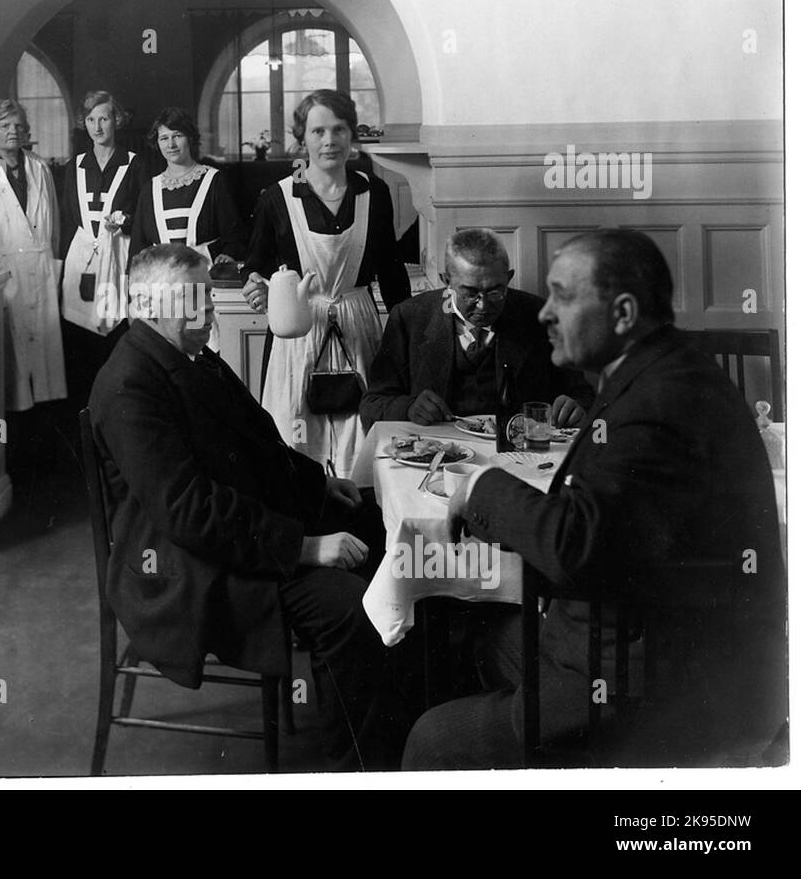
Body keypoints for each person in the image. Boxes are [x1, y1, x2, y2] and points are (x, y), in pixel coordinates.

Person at [402, 229, 787, 769]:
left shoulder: (657, 403)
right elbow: (601, 528)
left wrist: (476, 488)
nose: (543, 314)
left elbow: (572, 543)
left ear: (624, 312)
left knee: (429, 739)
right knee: (481, 637)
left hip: (650, 678)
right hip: (628, 635)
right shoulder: (657, 371)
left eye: (564, 296)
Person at [89, 243, 408, 770]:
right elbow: (189, 513)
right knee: (350, 612)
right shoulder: (129, 384)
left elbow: (258, 444)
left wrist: (318, 484)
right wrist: (304, 548)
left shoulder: (187, 353)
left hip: (232, 532)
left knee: (382, 529)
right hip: (189, 567)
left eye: (209, 294)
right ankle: (358, 768)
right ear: (145, 305)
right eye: (196, 296)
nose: (211, 306)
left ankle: (399, 716)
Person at [244, 89, 411, 478]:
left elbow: (390, 270)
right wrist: (257, 285)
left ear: (352, 135)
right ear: (302, 138)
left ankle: (362, 525)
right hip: (298, 333)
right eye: (318, 131)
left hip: (359, 327)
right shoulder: (278, 197)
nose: (329, 141)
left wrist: (406, 340)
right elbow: (255, 267)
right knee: (295, 436)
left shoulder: (375, 192)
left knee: (363, 440)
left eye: (339, 129)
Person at [360, 228, 591, 430]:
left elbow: (583, 394)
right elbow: (372, 405)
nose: (483, 305)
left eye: (495, 291)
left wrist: (575, 406)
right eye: (470, 293)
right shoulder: (410, 317)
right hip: (440, 456)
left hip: (518, 456)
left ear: (508, 278)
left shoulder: (538, 314)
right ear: (446, 280)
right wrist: (408, 407)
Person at [0, 99, 67, 412]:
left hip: (40, 265)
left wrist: (53, 262)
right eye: (5, 125)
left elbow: (55, 226)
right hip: (2, 270)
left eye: (19, 125)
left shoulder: (39, 167)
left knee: (45, 364)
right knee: (13, 368)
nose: (13, 131)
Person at [57, 90, 153, 406]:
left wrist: (124, 221)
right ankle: (87, 411)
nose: (98, 127)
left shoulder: (135, 164)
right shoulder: (76, 165)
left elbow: (146, 218)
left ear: (118, 120)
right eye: (91, 119)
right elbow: (69, 219)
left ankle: (119, 408)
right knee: (82, 337)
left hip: (121, 258)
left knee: (116, 335)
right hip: (82, 261)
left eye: (105, 118)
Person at [127, 107, 247, 264]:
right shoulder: (150, 189)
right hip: (161, 281)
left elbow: (235, 235)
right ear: (157, 142)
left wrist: (228, 255)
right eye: (164, 138)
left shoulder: (214, 180)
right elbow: (138, 246)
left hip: (204, 277)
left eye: (177, 136)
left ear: (190, 138)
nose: (171, 145)